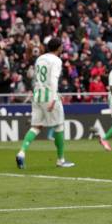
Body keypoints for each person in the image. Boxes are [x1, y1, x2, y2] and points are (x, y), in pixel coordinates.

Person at [16, 38, 75, 169]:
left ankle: (21, 153)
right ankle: (61, 160)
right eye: (61, 46)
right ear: (59, 48)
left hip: (37, 95)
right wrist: (54, 98)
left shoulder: (40, 58)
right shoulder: (57, 60)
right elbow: (53, 79)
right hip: (49, 95)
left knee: (36, 126)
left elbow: (35, 77)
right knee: (59, 126)